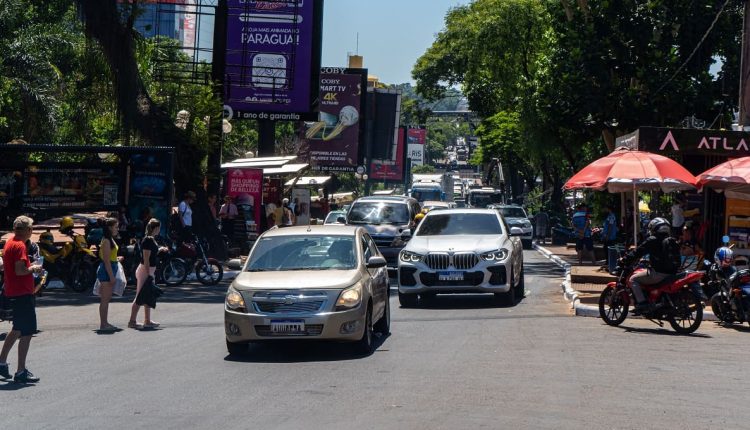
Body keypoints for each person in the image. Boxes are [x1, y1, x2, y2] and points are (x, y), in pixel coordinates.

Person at [0, 216, 44, 383]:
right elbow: (20, 270)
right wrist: (33, 268)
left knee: (18, 328)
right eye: (31, 229)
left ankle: (2, 361)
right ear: (28, 230)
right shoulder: (19, 246)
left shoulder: (10, 242)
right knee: (27, 332)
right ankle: (21, 371)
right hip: (22, 293)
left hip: (14, 291)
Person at [621, 217, 682, 314]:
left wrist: (625, 259)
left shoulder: (653, 239)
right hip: (672, 273)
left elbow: (638, 251)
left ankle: (642, 303)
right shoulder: (671, 240)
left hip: (658, 274)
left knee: (633, 279)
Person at [128, 218, 163, 329]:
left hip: (149, 270)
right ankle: (132, 321)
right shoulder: (147, 240)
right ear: (155, 228)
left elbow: (152, 253)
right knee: (140, 296)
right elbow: (146, 258)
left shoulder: (151, 239)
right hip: (145, 270)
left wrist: (161, 249)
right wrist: (148, 274)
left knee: (148, 295)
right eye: (158, 228)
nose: (159, 230)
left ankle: (147, 320)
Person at [97, 217, 121, 332]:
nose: (118, 229)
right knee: (105, 299)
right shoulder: (106, 240)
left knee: (107, 299)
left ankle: (105, 322)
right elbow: (106, 261)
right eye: (116, 227)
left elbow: (110, 257)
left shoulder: (110, 239)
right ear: (110, 228)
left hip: (111, 267)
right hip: (107, 270)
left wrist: (117, 259)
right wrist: (111, 276)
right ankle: (103, 324)